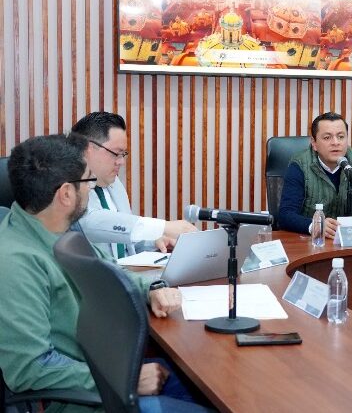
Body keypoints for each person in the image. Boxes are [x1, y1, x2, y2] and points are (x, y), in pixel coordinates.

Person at [0, 134, 209, 412]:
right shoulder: (16, 264)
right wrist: (125, 380)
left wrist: (152, 289)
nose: (91, 190)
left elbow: (111, 271)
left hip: (108, 365)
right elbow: (30, 368)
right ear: (66, 194)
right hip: (84, 397)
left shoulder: (58, 227)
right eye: (88, 181)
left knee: (212, 383)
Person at [72, 112, 197, 259]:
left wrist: (154, 241)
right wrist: (163, 227)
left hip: (125, 272)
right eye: (116, 153)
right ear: (88, 149)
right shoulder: (67, 183)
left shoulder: (113, 182)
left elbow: (123, 236)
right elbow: (90, 223)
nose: (121, 162)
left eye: (123, 154)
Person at [278, 112, 352, 237]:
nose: (335, 142)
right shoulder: (299, 165)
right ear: (314, 143)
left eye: (341, 137)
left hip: (349, 240)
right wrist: (313, 225)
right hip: (311, 242)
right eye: (327, 138)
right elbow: (286, 214)